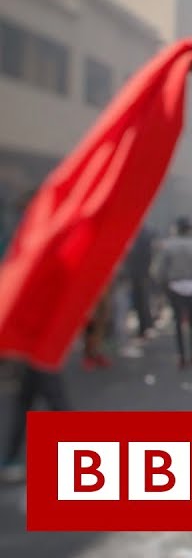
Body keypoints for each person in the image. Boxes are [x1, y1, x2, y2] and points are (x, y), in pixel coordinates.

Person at [0, 191, 71, 483]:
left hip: (37, 336)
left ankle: (11, 460)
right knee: (38, 398)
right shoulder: (27, 243)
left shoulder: (39, 244)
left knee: (37, 398)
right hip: (30, 337)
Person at [153, 216, 192, 369]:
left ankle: (181, 357)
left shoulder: (168, 245)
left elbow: (159, 270)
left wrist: (160, 285)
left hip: (175, 287)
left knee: (178, 323)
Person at [125, 224, 156, 339]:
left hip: (138, 273)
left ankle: (144, 326)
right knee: (143, 301)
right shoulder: (144, 235)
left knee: (141, 301)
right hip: (142, 273)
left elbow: (133, 255)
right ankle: (146, 325)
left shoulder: (139, 236)